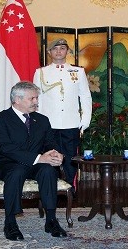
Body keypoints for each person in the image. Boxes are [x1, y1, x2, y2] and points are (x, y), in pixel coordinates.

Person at [0, 82, 67, 241]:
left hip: (34, 163)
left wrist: (56, 154)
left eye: (36, 98)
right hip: (5, 163)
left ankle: (51, 220)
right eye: (32, 98)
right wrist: (40, 158)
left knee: (48, 170)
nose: (36, 101)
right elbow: (5, 147)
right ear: (17, 100)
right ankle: (10, 222)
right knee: (17, 170)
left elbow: (50, 142)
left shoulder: (42, 120)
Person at [34, 38, 92, 190]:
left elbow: (85, 96)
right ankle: (50, 189)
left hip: (71, 124)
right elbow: (36, 99)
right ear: (49, 52)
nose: (58, 51)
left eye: (62, 48)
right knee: (50, 159)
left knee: (70, 160)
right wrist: (37, 124)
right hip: (48, 125)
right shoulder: (40, 72)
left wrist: (84, 121)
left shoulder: (78, 72)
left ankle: (70, 191)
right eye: (55, 49)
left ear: (67, 51)